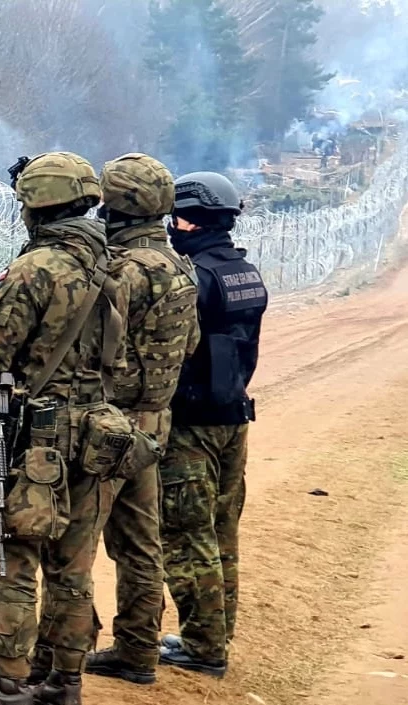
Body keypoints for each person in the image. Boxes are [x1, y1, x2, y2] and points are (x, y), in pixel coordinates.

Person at [0, 152, 126, 705]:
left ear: (36, 205)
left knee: (12, 553)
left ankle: (8, 686)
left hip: (34, 433)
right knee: (74, 566)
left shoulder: (36, 268)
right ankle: (64, 686)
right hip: (96, 430)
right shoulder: (112, 266)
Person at [84, 154, 200, 686]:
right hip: (154, 423)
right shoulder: (181, 267)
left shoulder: (118, 270)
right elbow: (190, 342)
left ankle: (65, 649)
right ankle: (137, 650)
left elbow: (86, 347)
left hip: (106, 425)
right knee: (140, 543)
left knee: (73, 539)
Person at [158, 171, 268, 678]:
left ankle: (203, 647)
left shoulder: (194, 278)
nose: (170, 227)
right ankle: (215, 635)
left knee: (186, 535)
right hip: (233, 417)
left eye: (174, 218)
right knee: (222, 532)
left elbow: (169, 349)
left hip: (192, 423)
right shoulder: (244, 272)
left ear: (190, 219)